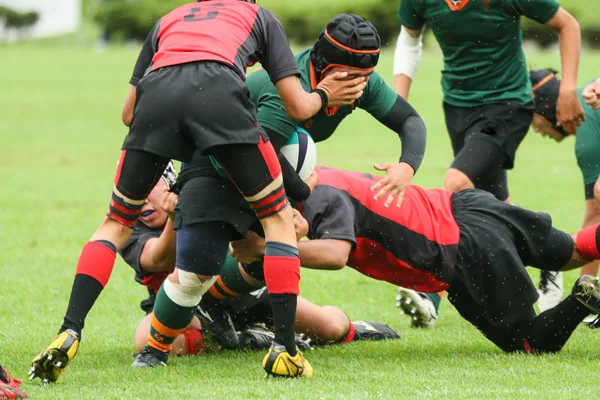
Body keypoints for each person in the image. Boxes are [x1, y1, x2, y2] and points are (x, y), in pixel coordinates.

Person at [30, 0, 369, 383]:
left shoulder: (168, 20)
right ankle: (285, 351)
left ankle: (70, 328)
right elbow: (298, 104)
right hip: (220, 95)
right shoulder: (258, 16)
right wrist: (325, 94)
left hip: (157, 99)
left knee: (114, 223)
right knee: (278, 220)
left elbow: (128, 114)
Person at [169, 12, 438, 341]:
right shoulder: (285, 90)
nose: (362, 84)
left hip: (267, 162)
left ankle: (224, 307)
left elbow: (410, 121)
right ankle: (192, 310)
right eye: (353, 75)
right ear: (325, 69)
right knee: (214, 258)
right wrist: (301, 190)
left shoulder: (358, 82)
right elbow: (255, 158)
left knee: (261, 254)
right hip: (217, 163)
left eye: (367, 75)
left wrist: (406, 165)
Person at [232, 165, 600, 354]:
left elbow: (334, 254)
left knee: (526, 343)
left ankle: (583, 297)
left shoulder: (322, 200)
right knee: (574, 250)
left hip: (465, 250)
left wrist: (266, 249)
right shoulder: (315, 175)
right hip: (470, 206)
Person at [118, 168, 400, 355]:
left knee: (330, 328)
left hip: (242, 292)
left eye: (149, 186)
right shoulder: (128, 227)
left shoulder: (203, 195)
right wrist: (172, 218)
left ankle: (360, 327)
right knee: (147, 340)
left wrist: (290, 222)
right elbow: (159, 259)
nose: (141, 198)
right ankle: (242, 339)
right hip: (187, 308)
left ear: (169, 181)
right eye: (133, 189)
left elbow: (255, 234)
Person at [393, 0, 583, 205]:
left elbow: (568, 24)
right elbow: (409, 41)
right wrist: (398, 104)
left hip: (507, 103)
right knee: (494, 200)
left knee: (458, 182)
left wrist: (568, 90)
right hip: (456, 106)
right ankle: (531, 237)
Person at [529, 69, 600, 315]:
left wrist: (584, 296)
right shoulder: (589, 95)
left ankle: (555, 257)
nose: (536, 130)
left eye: (534, 120)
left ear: (549, 110)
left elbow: (594, 216)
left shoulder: (587, 140)